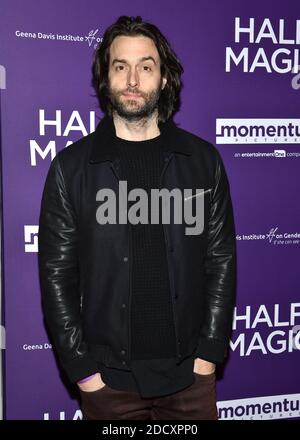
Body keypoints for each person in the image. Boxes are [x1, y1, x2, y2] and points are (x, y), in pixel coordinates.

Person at [38, 15, 236, 420]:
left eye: (146, 66)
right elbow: (57, 275)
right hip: (109, 386)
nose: (132, 79)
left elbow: (220, 261)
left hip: (191, 382)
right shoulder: (72, 169)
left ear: (163, 78)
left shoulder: (201, 162)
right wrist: (84, 371)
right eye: (120, 66)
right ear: (105, 78)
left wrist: (209, 357)